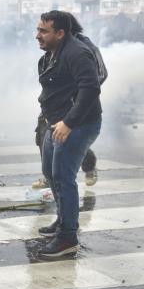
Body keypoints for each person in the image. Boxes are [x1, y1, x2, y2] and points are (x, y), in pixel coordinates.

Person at [35, 10, 102, 257]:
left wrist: (69, 122)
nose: (37, 36)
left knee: (63, 177)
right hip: (55, 122)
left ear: (60, 33)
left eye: (44, 31)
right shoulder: (53, 52)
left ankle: (68, 237)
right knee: (50, 173)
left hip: (77, 125)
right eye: (38, 29)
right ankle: (63, 220)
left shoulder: (76, 52)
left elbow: (90, 88)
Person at [32, 12, 107, 189]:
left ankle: (88, 166)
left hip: (72, 110)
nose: (39, 36)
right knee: (43, 137)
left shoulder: (82, 48)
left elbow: (97, 78)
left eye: (45, 30)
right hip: (53, 108)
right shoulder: (54, 48)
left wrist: (73, 96)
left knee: (71, 144)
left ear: (63, 31)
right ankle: (49, 175)